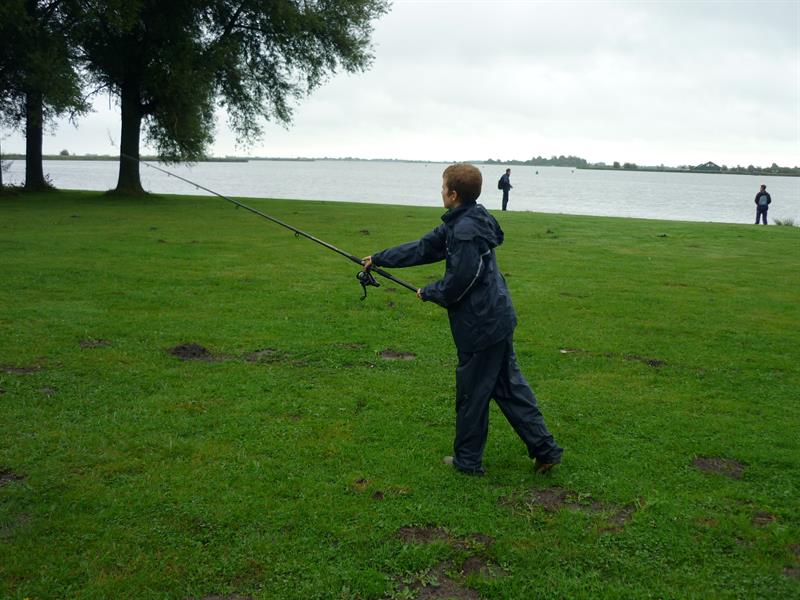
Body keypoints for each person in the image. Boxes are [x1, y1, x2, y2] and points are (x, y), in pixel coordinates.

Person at [362, 163, 563, 476]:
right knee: (508, 388)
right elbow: (424, 248)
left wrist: (432, 292)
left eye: (444, 187)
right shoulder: (466, 219)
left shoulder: (466, 231)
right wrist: (379, 258)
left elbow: (461, 280)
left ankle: (468, 461)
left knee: (472, 393)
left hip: (481, 324)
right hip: (495, 317)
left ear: (454, 194)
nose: (441, 191)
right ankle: (545, 450)